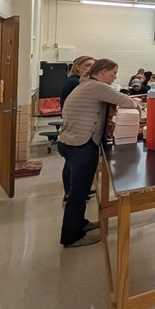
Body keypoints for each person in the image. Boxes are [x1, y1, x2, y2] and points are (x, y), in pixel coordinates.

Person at [59, 59, 140, 248]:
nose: (115, 77)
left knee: (80, 190)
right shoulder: (97, 86)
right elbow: (126, 102)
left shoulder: (86, 84)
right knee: (79, 193)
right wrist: (137, 103)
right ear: (103, 72)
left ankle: (80, 223)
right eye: (113, 73)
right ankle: (71, 237)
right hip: (81, 143)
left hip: (71, 141)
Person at [59, 55, 94, 202]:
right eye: (87, 65)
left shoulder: (77, 81)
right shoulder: (75, 82)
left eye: (93, 66)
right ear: (77, 66)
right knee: (72, 163)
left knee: (74, 163)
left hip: (74, 124)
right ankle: (70, 193)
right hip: (75, 127)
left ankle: (77, 191)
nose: (90, 68)